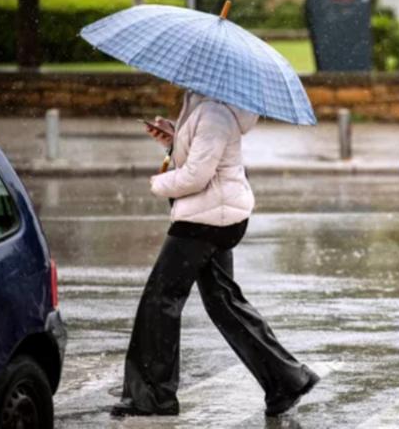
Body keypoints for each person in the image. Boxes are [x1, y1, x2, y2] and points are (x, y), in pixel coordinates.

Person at [111, 91, 318, 418]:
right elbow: (203, 156)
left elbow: (197, 175)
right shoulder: (203, 105)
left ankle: (152, 396)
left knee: (161, 298)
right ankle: (285, 381)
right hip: (217, 214)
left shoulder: (213, 114)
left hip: (205, 219)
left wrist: (160, 184)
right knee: (223, 301)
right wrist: (173, 138)